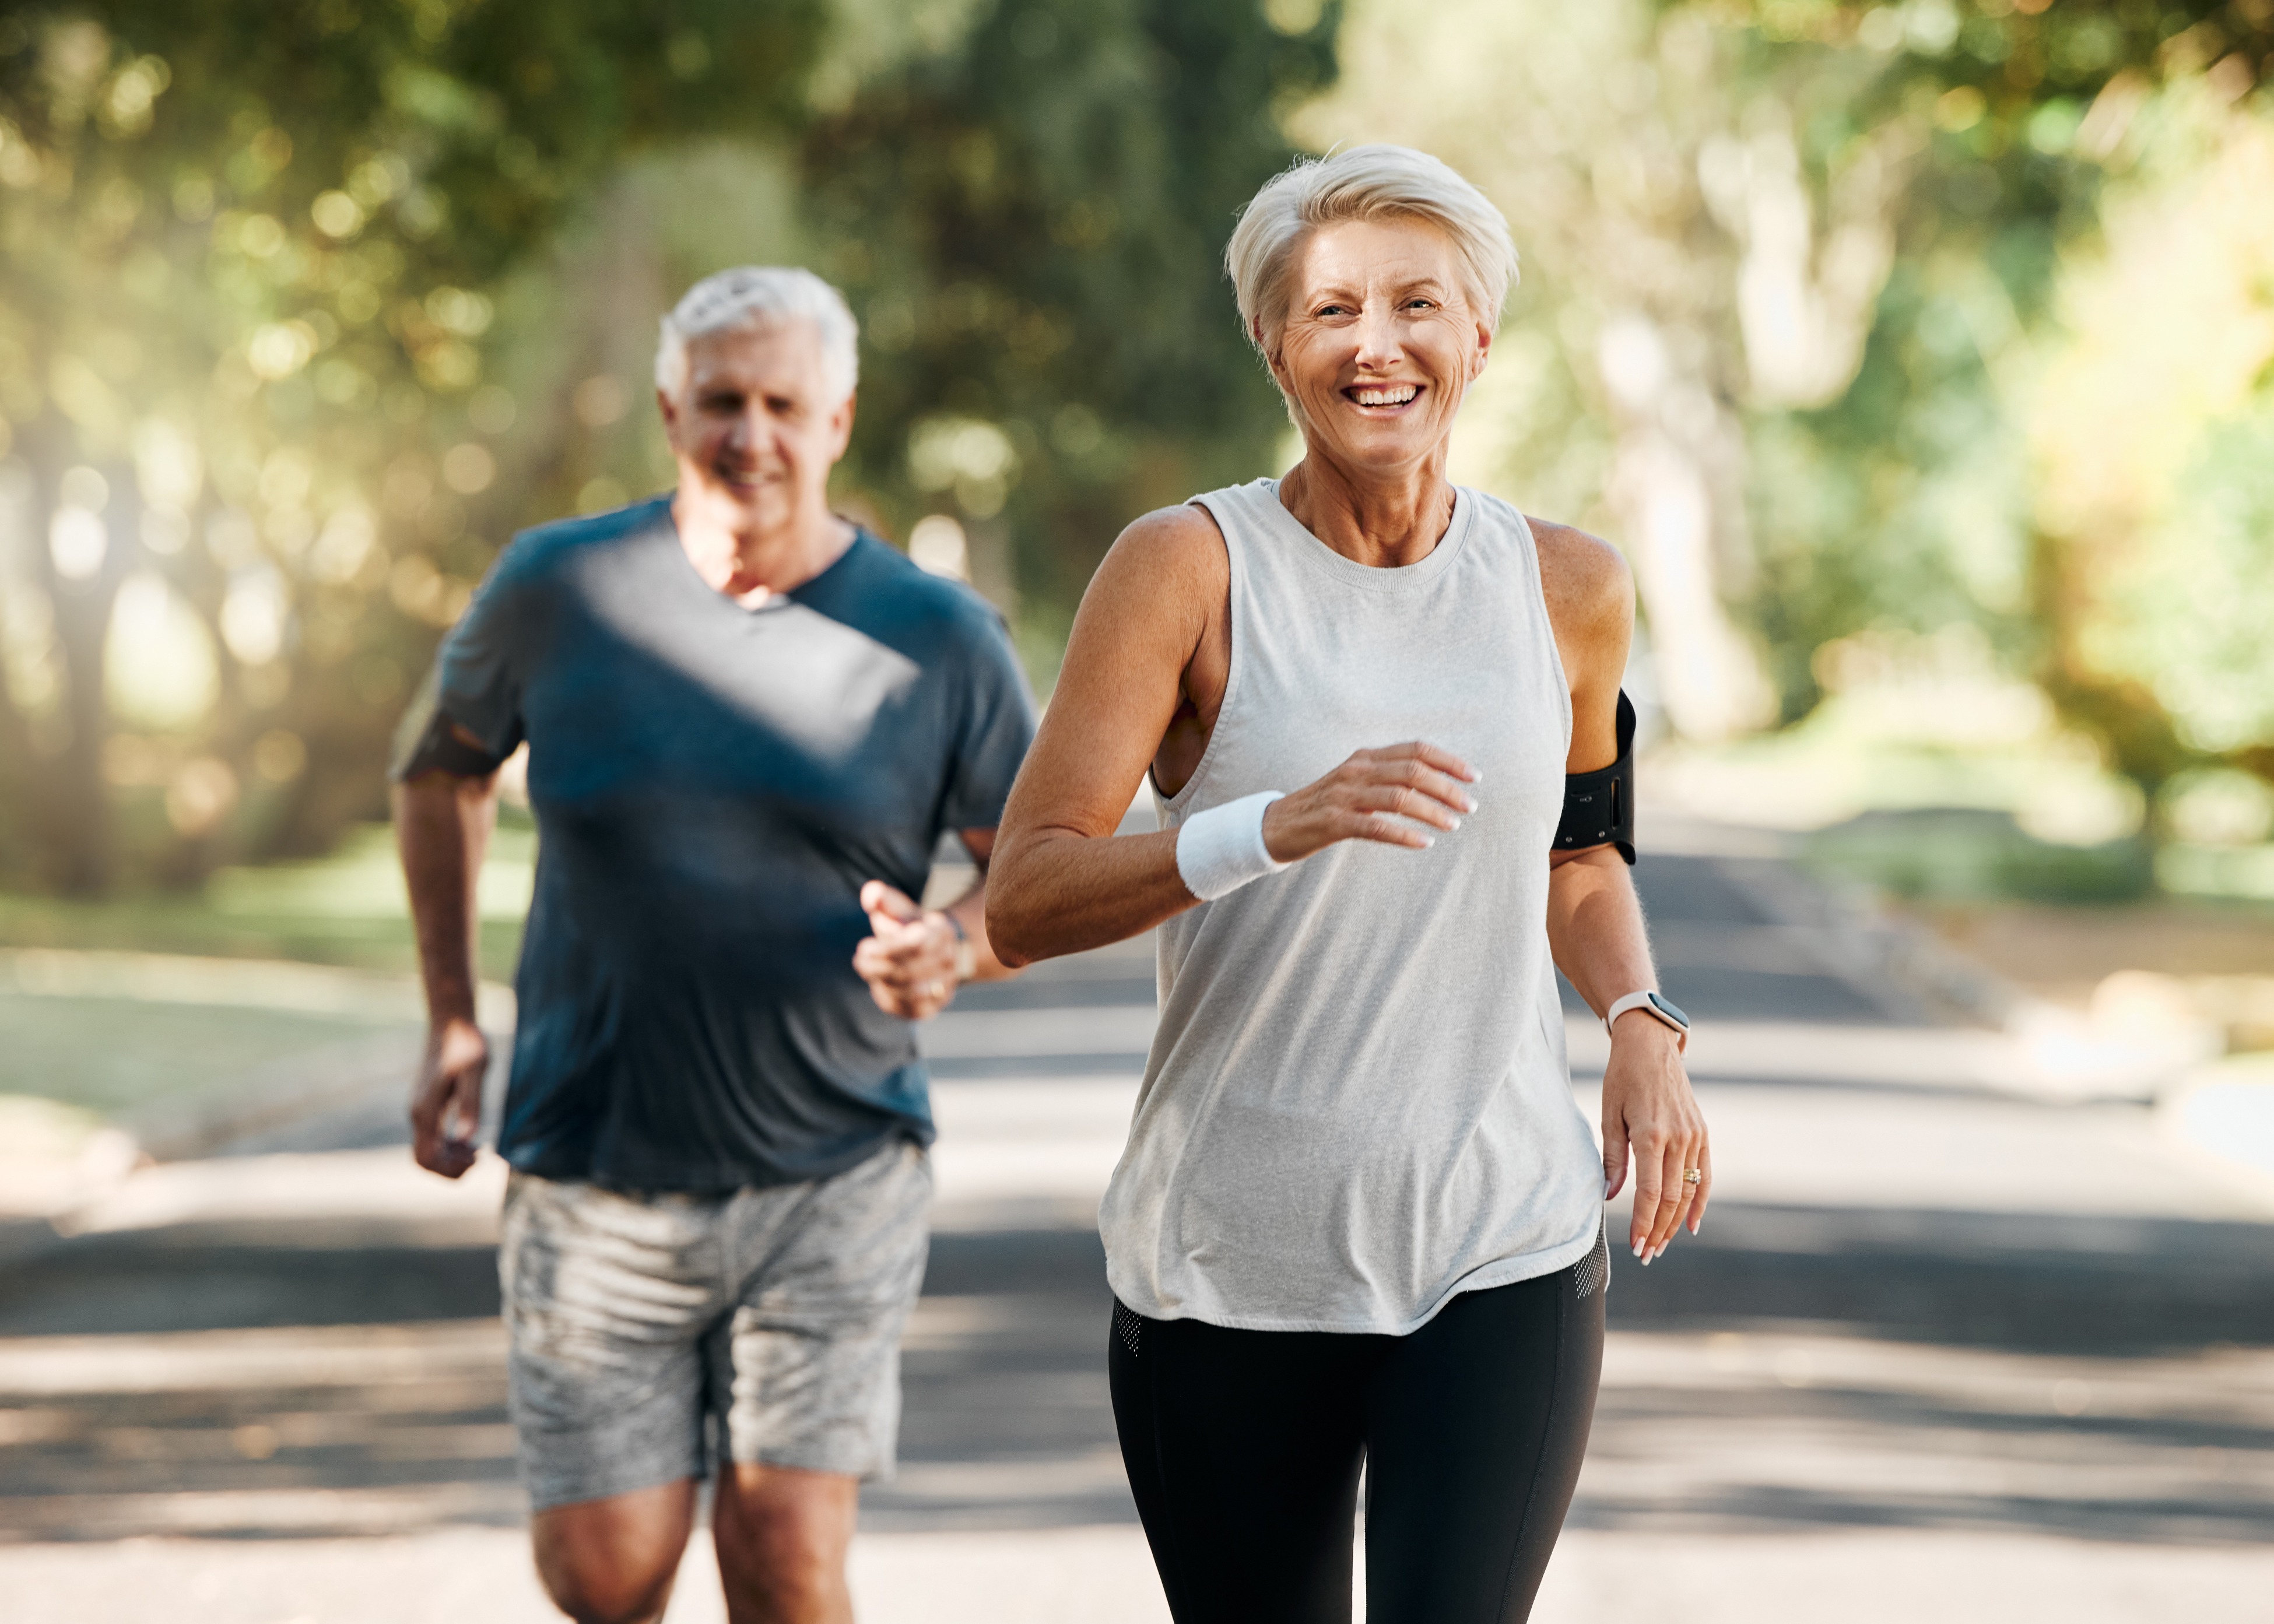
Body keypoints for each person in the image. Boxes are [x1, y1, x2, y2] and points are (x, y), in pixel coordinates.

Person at [984, 146, 1712, 1623]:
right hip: (1227, 1258)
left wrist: (1640, 1014)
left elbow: (1578, 848)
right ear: (1274, 344)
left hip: (1500, 1237)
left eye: (1416, 305)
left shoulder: (1569, 585)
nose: (1376, 345)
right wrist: (1270, 824)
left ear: (1480, 339)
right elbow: (1025, 894)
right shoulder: (1183, 569)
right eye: (1330, 312)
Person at [391, 266, 1036, 1624]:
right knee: (604, 1572)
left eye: (784, 404)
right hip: (593, 1162)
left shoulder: (941, 639)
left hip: (837, 1164)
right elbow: (438, 773)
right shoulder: (557, 589)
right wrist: (454, 1015)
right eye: (724, 403)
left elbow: (1029, 878)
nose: (755, 435)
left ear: (839, 419)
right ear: (671, 410)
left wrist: (954, 950)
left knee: (787, 1557)